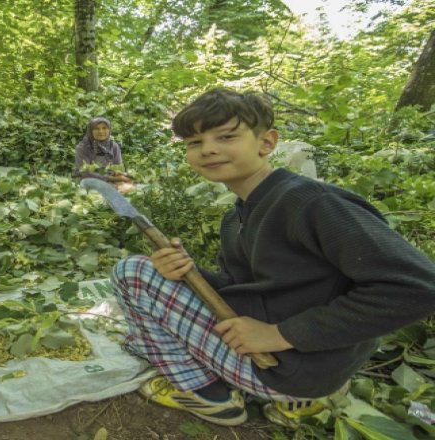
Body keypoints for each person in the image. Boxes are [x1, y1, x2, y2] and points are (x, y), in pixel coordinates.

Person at [110, 88, 435, 428]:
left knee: (132, 272)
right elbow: (245, 289)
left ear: (266, 143)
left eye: (226, 136)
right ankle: (307, 400)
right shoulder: (237, 216)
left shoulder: (310, 203)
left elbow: (420, 288)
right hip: (309, 367)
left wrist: (279, 334)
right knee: (154, 272)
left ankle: (206, 394)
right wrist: (189, 272)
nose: (207, 148)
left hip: (284, 367)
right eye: (194, 142)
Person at [73, 117, 133, 191]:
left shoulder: (114, 146)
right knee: (113, 190)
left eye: (104, 128)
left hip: (112, 180)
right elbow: (85, 173)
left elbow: (118, 167)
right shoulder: (83, 148)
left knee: (132, 187)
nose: (101, 131)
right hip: (89, 181)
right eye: (96, 129)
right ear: (90, 131)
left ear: (109, 130)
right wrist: (112, 178)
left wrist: (122, 175)